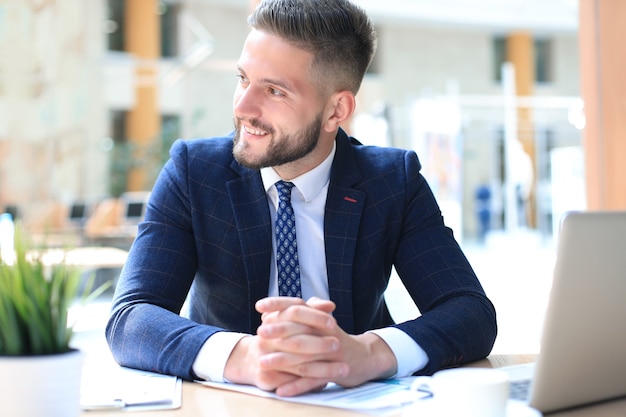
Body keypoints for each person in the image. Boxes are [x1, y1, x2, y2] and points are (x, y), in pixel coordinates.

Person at [106, 0, 497, 398]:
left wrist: (365, 354)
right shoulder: (193, 172)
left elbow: (471, 313)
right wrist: (248, 357)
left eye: (274, 90)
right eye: (243, 79)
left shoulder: (392, 181)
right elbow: (131, 317)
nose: (242, 108)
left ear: (336, 111)